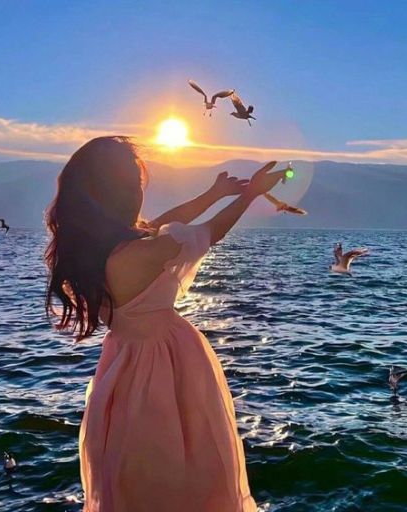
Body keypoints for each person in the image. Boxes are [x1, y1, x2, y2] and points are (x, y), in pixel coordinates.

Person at [44, 136, 285, 512]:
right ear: (121, 192)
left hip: (121, 372)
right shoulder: (140, 255)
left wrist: (213, 192)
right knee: (184, 478)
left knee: (135, 481)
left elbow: (163, 223)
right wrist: (251, 193)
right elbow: (208, 232)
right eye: (137, 183)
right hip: (165, 373)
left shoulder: (101, 254)